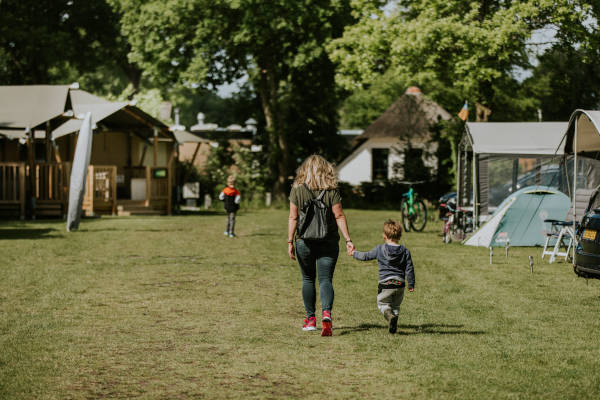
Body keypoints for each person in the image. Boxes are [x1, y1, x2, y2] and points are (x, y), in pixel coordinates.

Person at [288, 155, 354, 336]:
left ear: (305, 170)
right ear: (326, 170)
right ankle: (326, 313)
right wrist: (348, 240)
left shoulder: (297, 190)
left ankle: (310, 319)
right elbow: (339, 216)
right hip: (329, 241)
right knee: (325, 280)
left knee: (308, 279)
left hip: (304, 242)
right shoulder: (332, 190)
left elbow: (293, 217)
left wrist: (289, 241)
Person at [351, 219, 415, 334]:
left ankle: (390, 317)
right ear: (399, 236)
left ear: (384, 236)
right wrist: (411, 284)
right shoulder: (405, 251)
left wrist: (354, 253)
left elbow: (366, 256)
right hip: (400, 284)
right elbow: (409, 269)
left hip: (386, 284)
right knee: (395, 306)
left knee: (383, 304)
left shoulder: (380, 249)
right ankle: (393, 324)